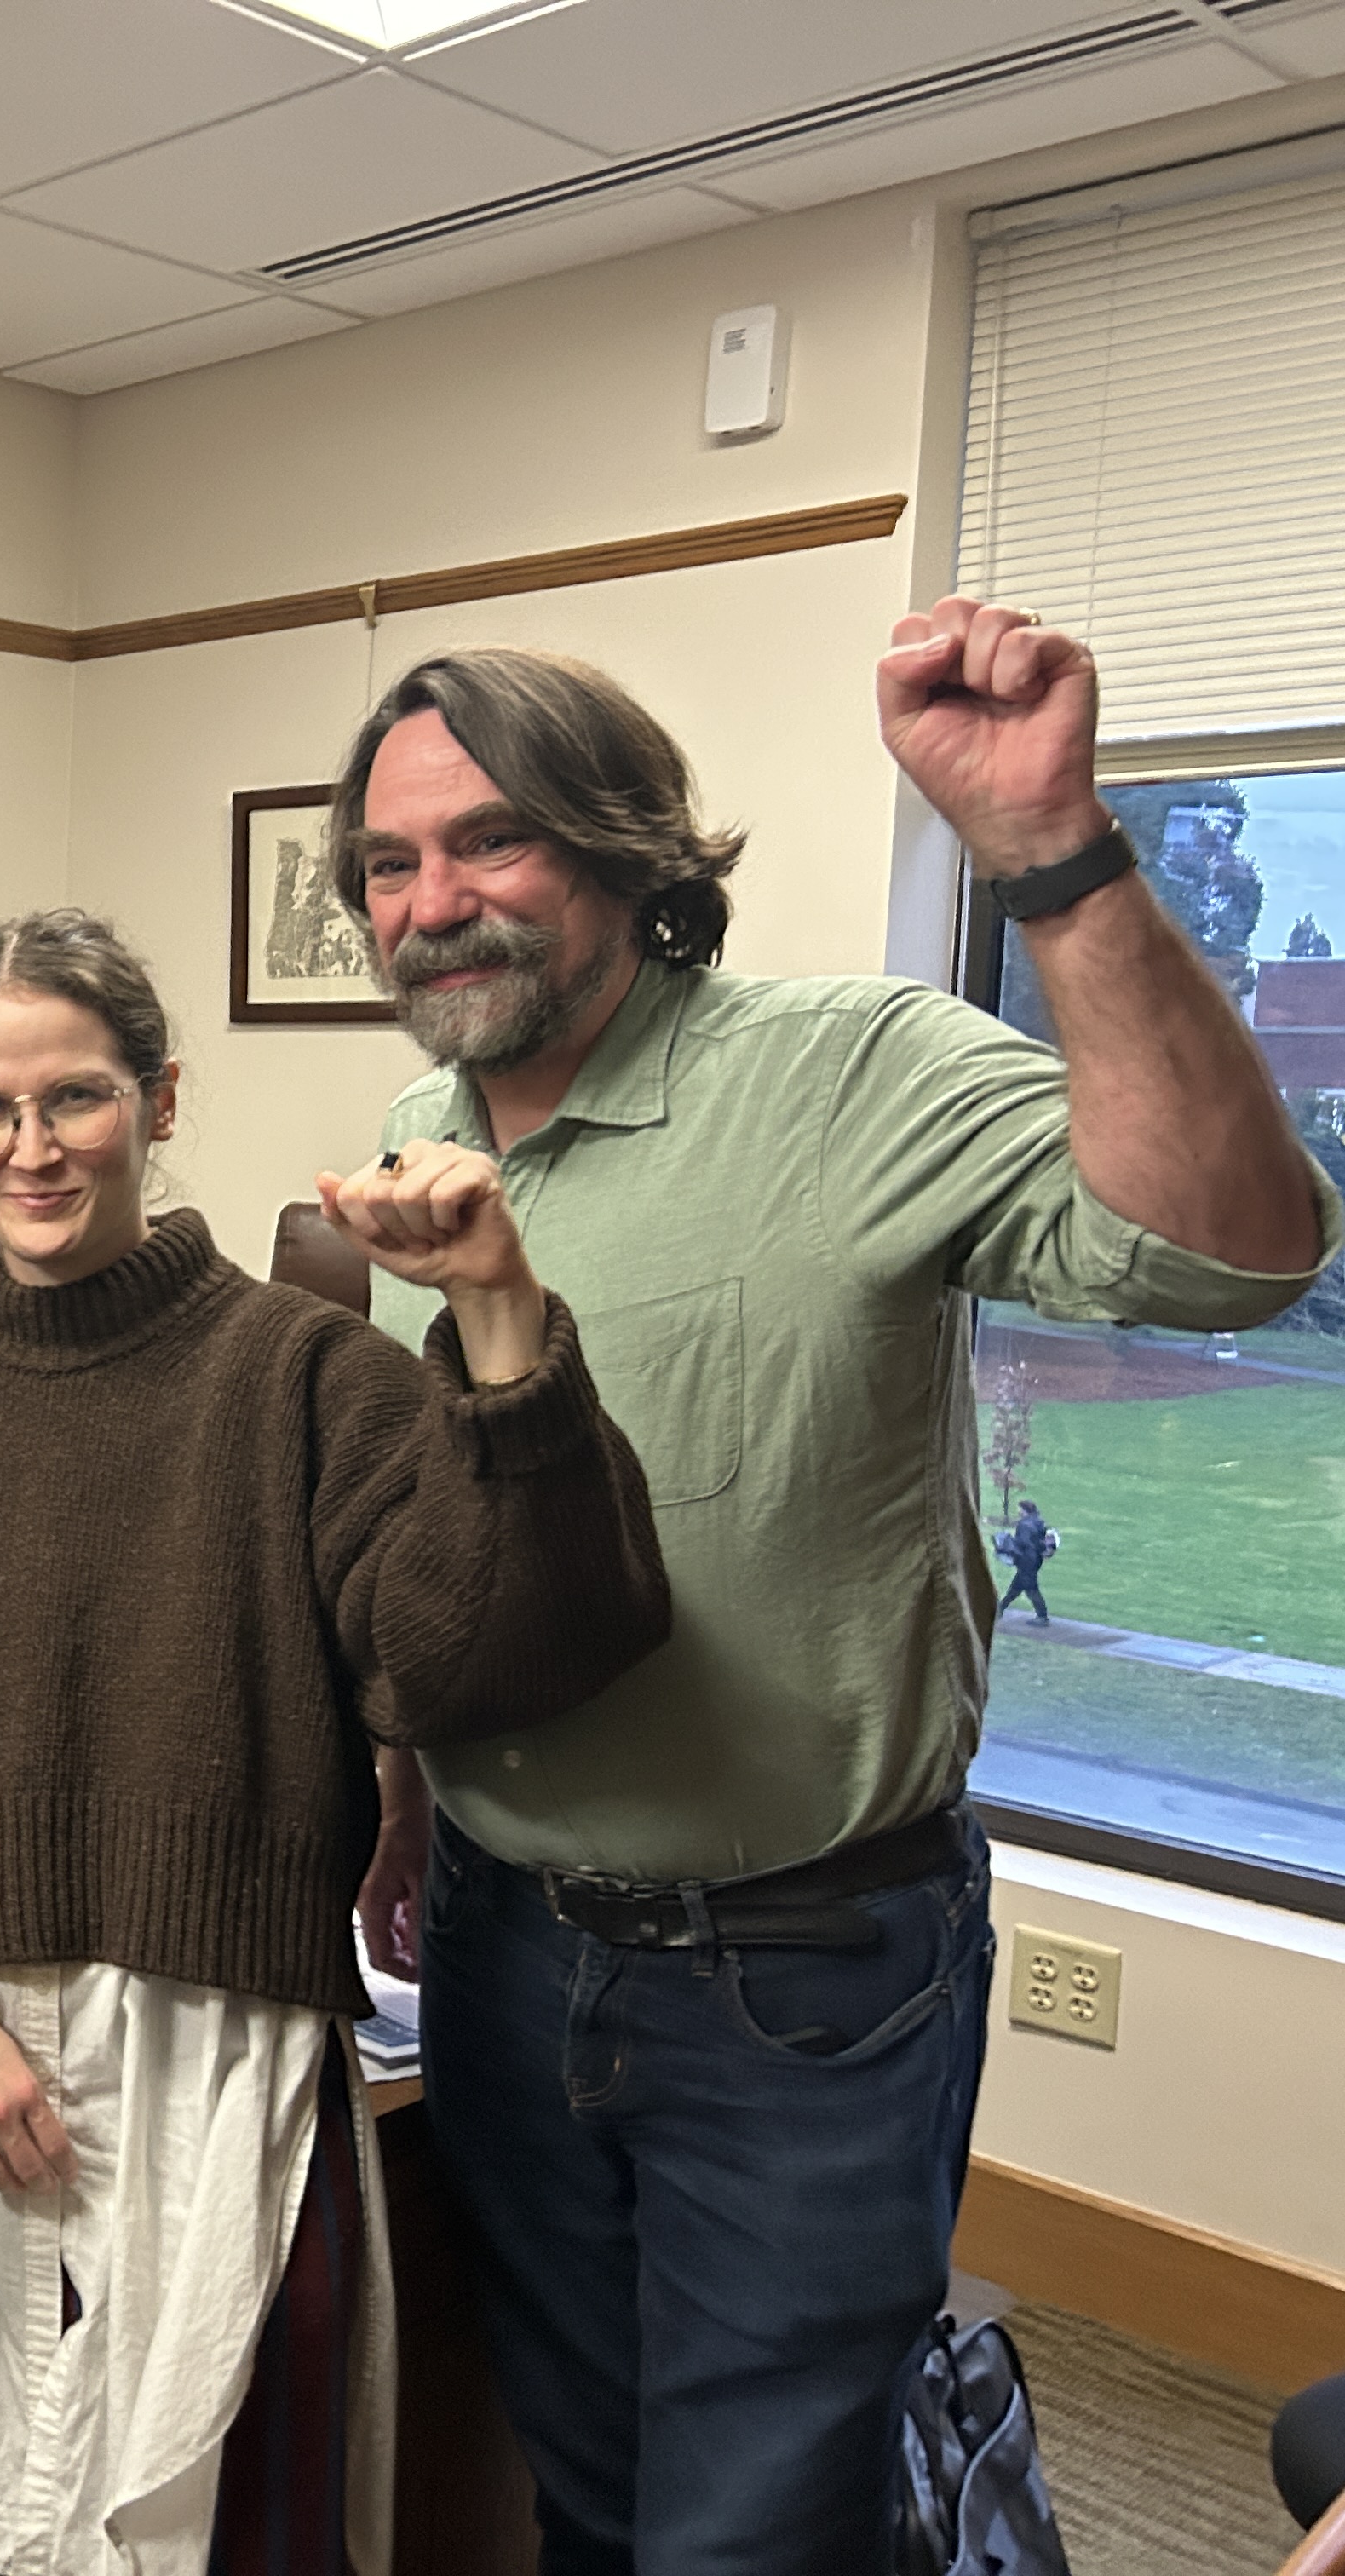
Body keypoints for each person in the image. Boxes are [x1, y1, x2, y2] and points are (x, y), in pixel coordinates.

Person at [340, 601, 1336, 2573]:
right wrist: (395, 1790)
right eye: (388, 862)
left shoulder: (852, 1067)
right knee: (588, 2488)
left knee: (758, 2534)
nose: (431, 901)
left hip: (797, 1977)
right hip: (499, 1940)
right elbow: (446, 1531)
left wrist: (1050, 856)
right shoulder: (414, 1138)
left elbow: (1235, 1254)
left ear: (628, 857)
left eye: (491, 842)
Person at [0, 911, 670, 2575]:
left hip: (203, 2066)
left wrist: (500, 1322)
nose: (29, 1148)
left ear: (161, 1097)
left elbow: (503, 1653)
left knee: (204, 2527)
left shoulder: (303, 1380)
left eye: (74, 1099)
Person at [997, 1498, 1058, 1624]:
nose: (1018, 1511)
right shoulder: (1039, 1522)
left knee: (1031, 1590)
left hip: (1026, 1561)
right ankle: (1000, 1609)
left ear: (1025, 1510)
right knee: (1016, 1586)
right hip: (1035, 1560)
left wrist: (1007, 1544)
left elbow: (1022, 1543)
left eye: (1020, 1509)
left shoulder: (1024, 1524)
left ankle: (1042, 1617)